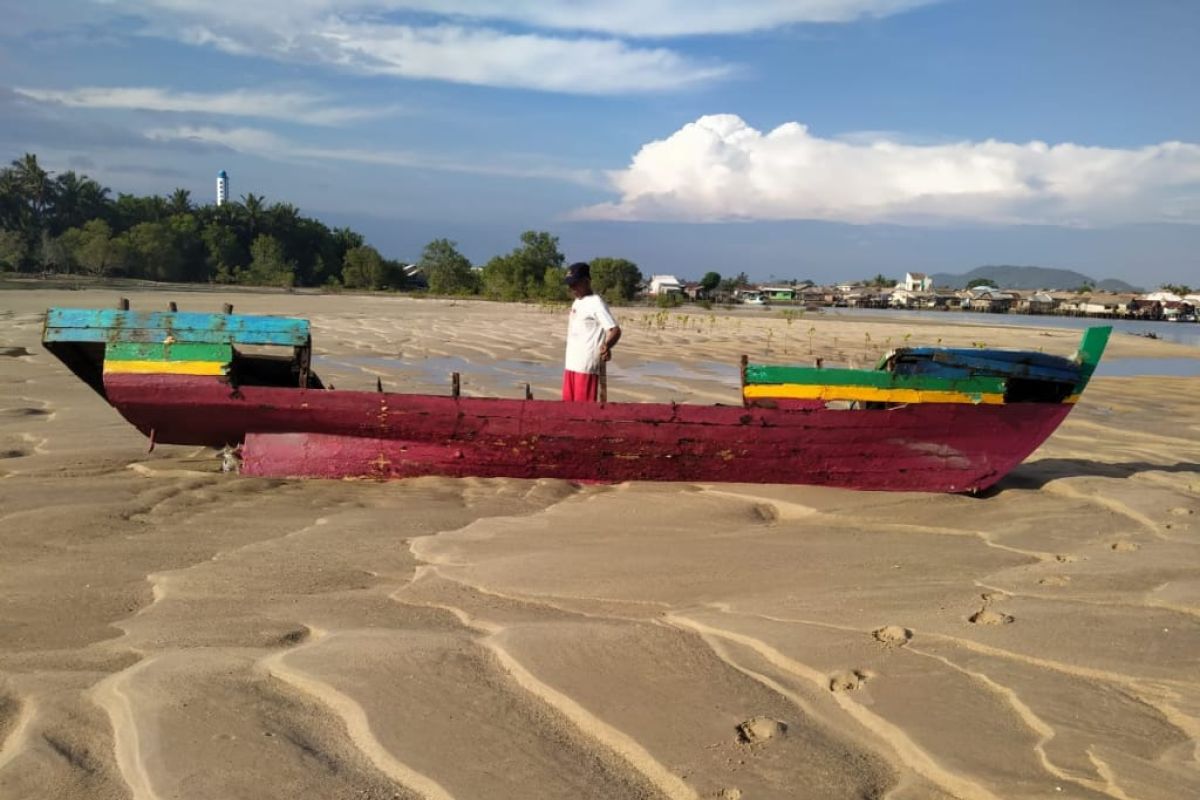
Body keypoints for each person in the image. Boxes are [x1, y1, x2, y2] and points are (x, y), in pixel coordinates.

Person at [562, 261, 621, 402]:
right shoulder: (577, 302)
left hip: (586, 366)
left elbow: (614, 330)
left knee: (583, 411)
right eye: (570, 285)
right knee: (567, 409)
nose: (572, 288)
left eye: (575, 284)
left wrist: (607, 346)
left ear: (586, 281)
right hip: (571, 364)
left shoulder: (596, 303)